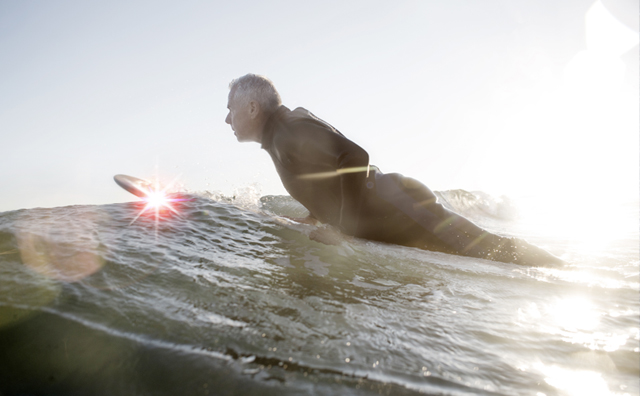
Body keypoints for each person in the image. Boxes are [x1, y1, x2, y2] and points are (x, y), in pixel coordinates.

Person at [224, 73, 564, 266]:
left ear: (252, 108)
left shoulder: (287, 132)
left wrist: (344, 228)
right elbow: (324, 172)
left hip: (399, 205)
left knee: (490, 250)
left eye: (231, 109)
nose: (227, 119)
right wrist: (316, 216)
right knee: (486, 250)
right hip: (394, 204)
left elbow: (354, 156)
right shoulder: (283, 132)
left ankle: (568, 272)